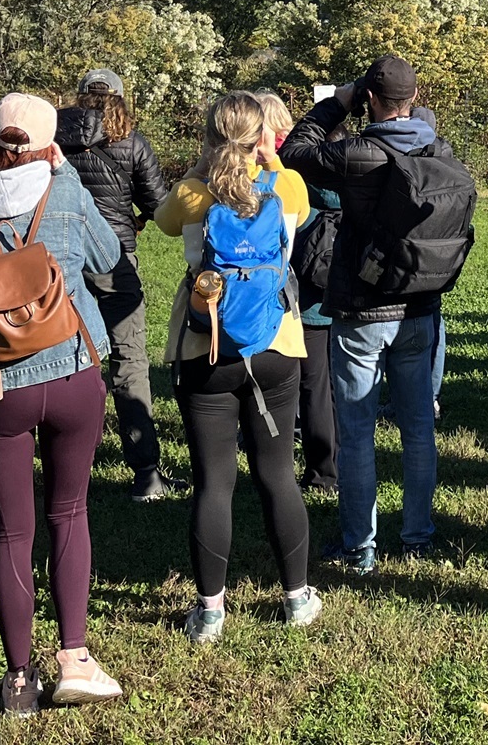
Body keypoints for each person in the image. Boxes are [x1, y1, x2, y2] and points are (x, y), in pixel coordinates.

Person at [0, 93, 123, 713]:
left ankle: (17, 680)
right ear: (49, 146)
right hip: (74, 377)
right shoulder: (64, 193)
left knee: (10, 531)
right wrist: (64, 178)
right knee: (70, 512)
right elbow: (109, 259)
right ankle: (75, 658)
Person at [283, 55, 466, 571]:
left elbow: (296, 150)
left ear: (369, 100)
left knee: (358, 429)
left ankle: (360, 544)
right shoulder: (438, 146)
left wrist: (339, 101)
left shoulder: (360, 153)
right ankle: (418, 534)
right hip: (422, 305)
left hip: (363, 308)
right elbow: (419, 120)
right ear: (413, 96)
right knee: (417, 428)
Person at [155, 92, 320, 643]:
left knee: (213, 483)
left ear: (209, 138)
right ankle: (296, 597)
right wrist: (270, 160)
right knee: (277, 474)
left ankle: (209, 611)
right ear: (265, 137)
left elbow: (160, 220)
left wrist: (203, 165)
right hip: (276, 343)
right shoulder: (287, 187)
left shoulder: (191, 194)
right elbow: (300, 210)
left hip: (206, 347)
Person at [55, 69, 170, 501]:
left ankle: (68, 468)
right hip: (115, 258)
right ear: (120, 99)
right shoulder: (132, 143)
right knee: (129, 360)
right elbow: (160, 205)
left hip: (61, 259)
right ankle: (146, 472)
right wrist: (134, 218)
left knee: (66, 359)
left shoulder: (54, 144)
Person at [258, 91, 340, 497]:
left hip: (286, 291)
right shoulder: (323, 163)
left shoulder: (276, 169)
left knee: (294, 384)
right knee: (321, 386)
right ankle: (326, 469)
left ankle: (284, 464)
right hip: (327, 289)